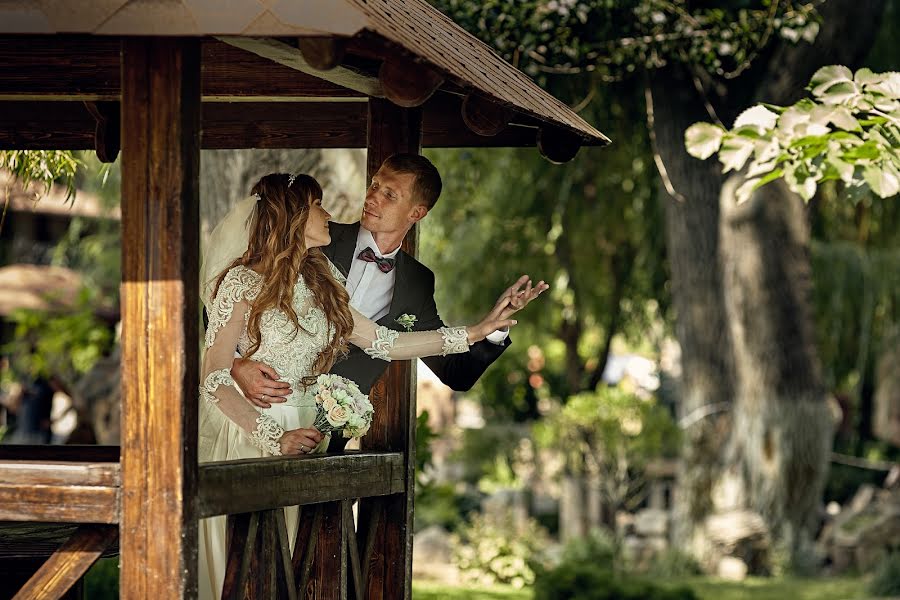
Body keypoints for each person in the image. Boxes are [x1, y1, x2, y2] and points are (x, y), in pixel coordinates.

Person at [197, 172, 536, 599]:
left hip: (312, 442)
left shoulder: (324, 280)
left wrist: (477, 330)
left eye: (388, 192)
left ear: (417, 211)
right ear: (295, 217)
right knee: (243, 569)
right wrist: (269, 428)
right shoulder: (242, 282)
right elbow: (213, 374)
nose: (329, 212)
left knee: (291, 569)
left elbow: (386, 342)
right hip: (251, 434)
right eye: (317, 205)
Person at [229, 154, 548, 452]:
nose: (371, 198)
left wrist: (494, 328)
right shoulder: (315, 237)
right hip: (258, 414)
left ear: (417, 212)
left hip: (327, 440)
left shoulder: (417, 284)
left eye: (389, 195)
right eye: (374, 186)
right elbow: (225, 303)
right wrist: (235, 365)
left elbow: (456, 374)